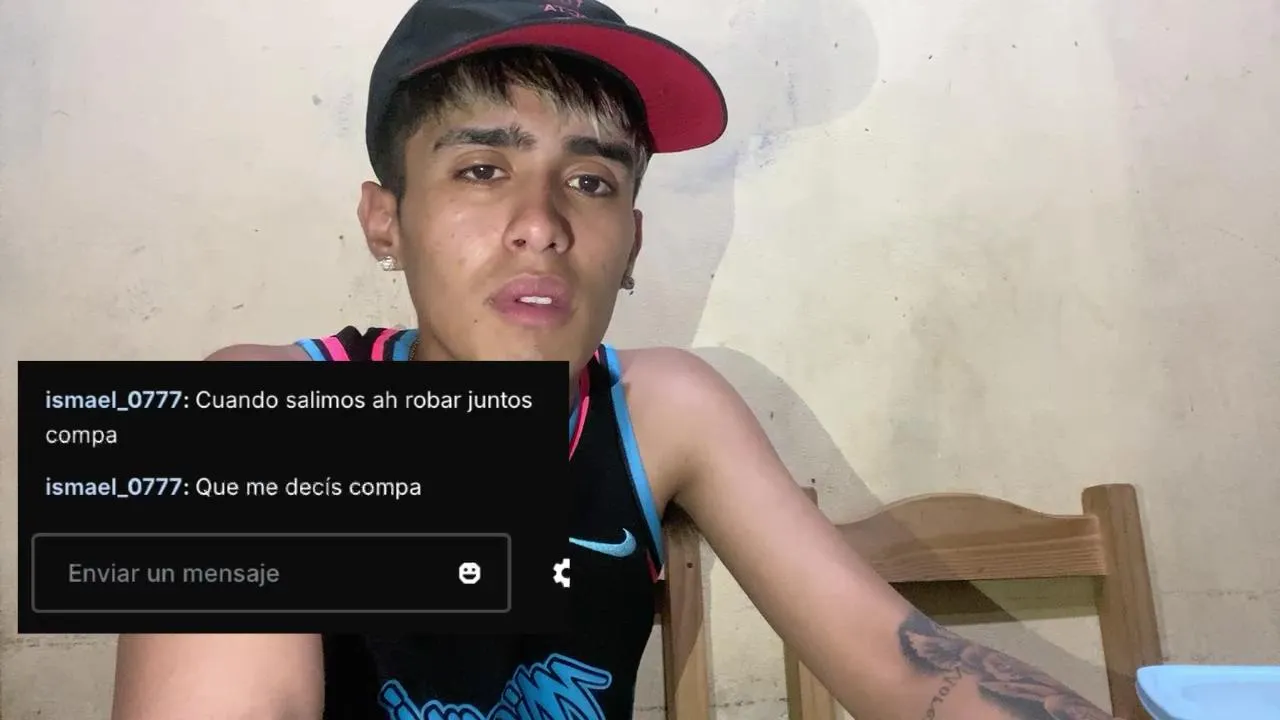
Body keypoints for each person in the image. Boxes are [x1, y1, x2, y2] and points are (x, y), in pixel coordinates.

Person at [111, 0, 1118, 718]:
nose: (541, 224)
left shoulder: (660, 408)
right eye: (481, 169)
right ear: (386, 221)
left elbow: (907, 666)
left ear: (631, 240)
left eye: (590, 180)